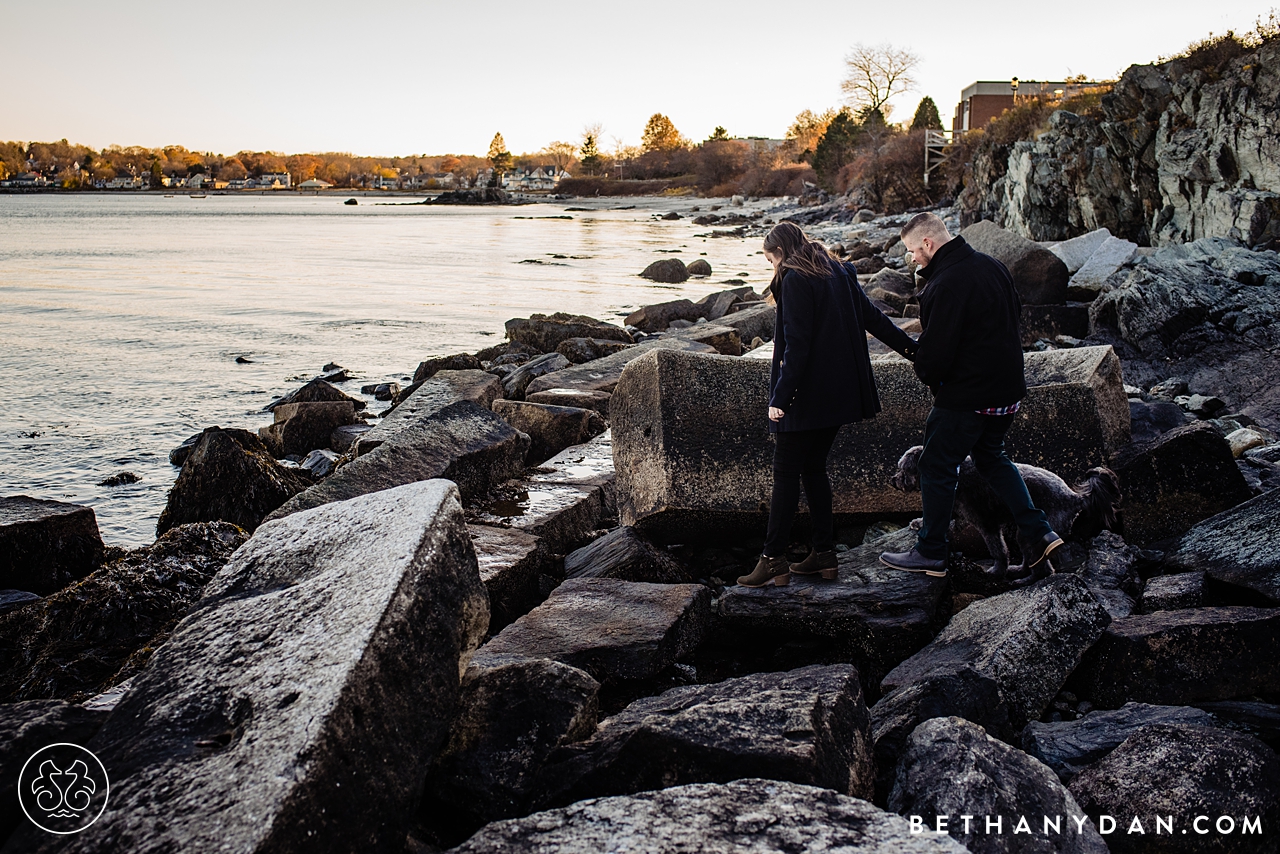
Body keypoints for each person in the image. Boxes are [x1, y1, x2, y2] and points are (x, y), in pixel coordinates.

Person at [879, 212, 1063, 583]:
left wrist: (926, 369)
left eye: (913, 250)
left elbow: (933, 361)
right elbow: (1012, 319)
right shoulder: (991, 266)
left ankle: (930, 551)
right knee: (992, 458)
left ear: (928, 243)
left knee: (935, 465)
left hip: (968, 396)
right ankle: (1040, 531)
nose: (912, 258)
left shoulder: (944, 284)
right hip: (1007, 391)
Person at [738, 222, 918, 588]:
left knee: (786, 474)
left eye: (770, 258)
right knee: (814, 468)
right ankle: (824, 554)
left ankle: (773, 559)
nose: (771, 266)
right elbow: (873, 319)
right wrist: (913, 351)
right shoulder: (840, 270)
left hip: (806, 395)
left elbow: (797, 346)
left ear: (780, 252)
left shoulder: (793, 278)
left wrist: (780, 399)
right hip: (841, 394)